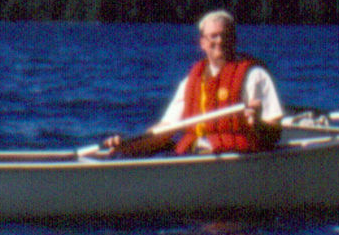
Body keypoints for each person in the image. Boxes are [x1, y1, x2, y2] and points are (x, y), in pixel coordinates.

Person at [105, 11, 284, 155]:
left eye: (225, 35)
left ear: (234, 40)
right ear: (203, 43)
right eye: (213, 36)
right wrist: (128, 145)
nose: (219, 41)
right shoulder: (190, 82)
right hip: (195, 155)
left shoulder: (255, 76)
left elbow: (275, 134)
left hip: (235, 156)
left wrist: (258, 124)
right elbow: (166, 130)